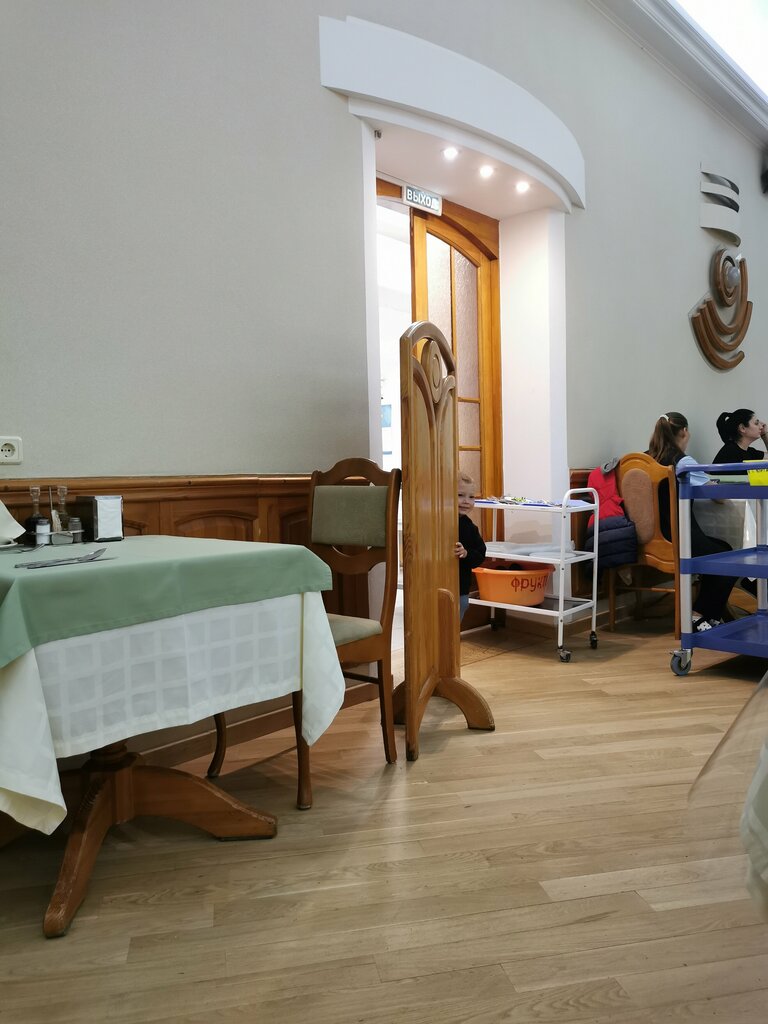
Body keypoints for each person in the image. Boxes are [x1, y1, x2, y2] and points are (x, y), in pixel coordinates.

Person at [648, 412, 736, 632]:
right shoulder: (683, 463)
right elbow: (718, 497)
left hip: (650, 538)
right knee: (729, 558)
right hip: (678, 535)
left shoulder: (644, 460)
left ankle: (710, 614)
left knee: (721, 549)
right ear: (685, 432)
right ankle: (698, 615)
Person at [455, 472, 486, 621]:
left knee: (458, 613)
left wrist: (466, 553)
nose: (466, 501)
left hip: (461, 588)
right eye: (460, 495)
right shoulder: (438, 521)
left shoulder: (470, 527)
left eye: (471, 497)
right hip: (437, 584)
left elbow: (480, 554)